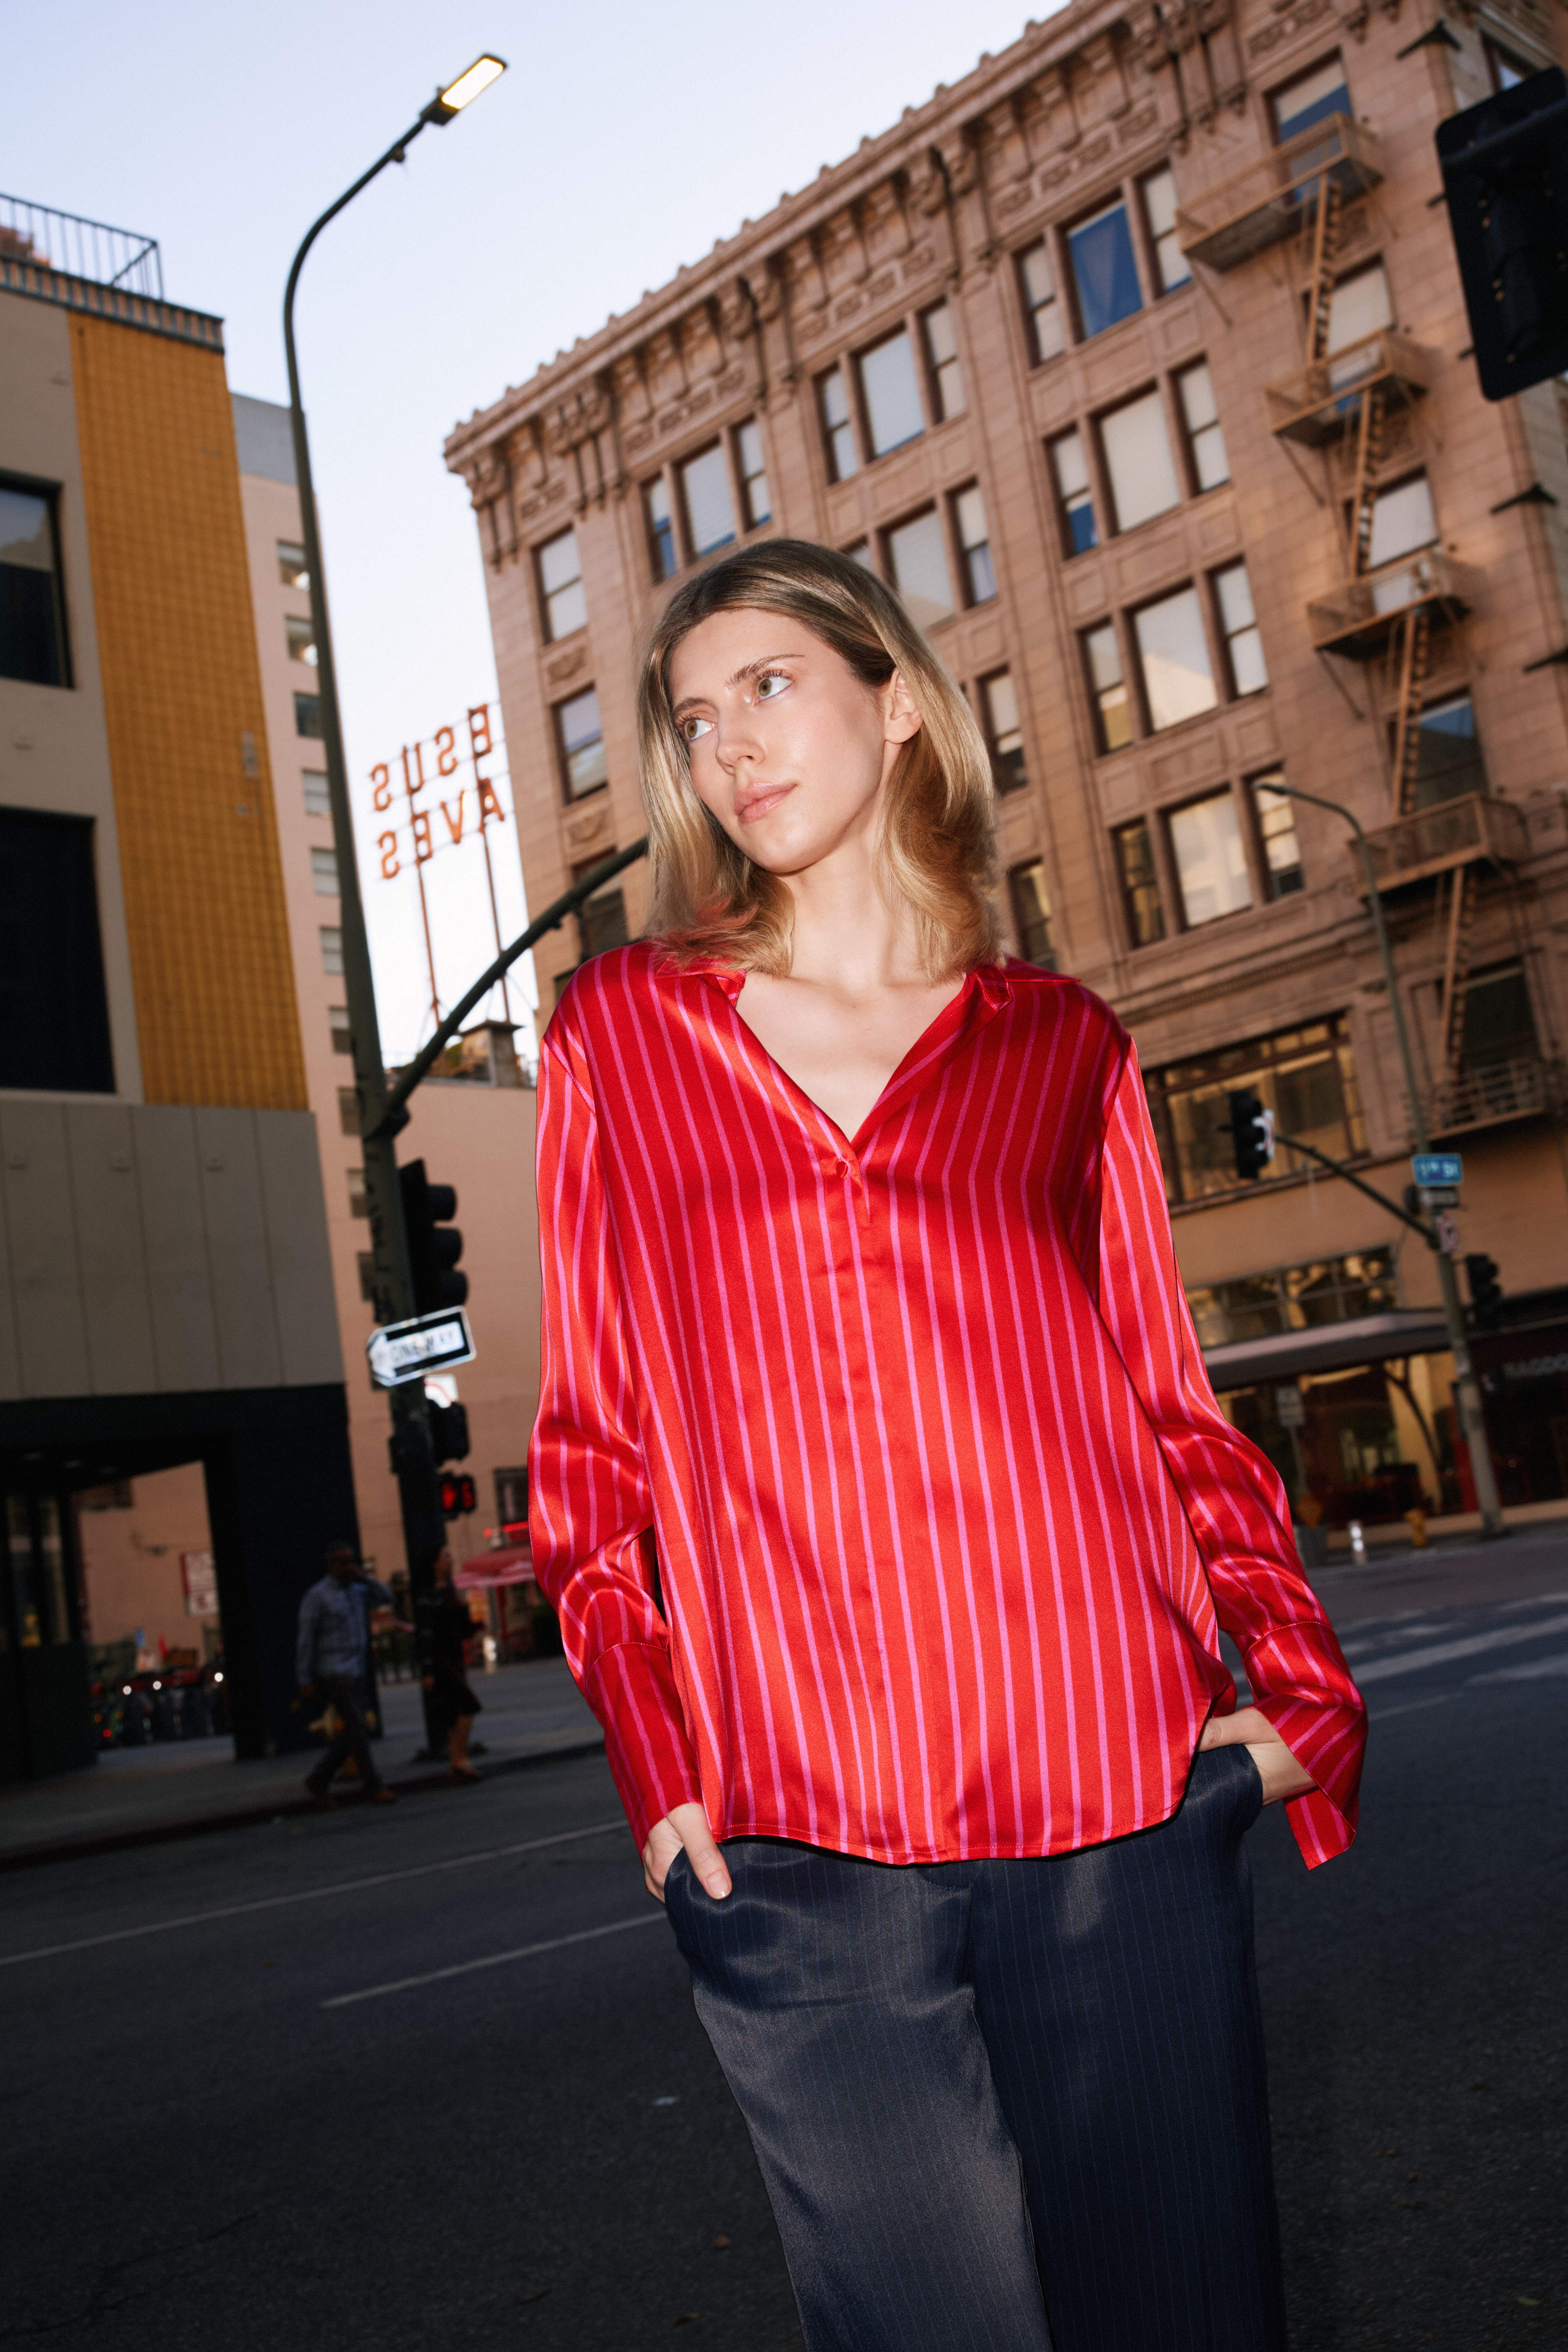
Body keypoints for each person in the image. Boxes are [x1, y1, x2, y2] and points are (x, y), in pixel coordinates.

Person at [528, 541, 1367, 2352]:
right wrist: (658, 1760)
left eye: (769, 685)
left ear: (894, 699)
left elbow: (1165, 1402)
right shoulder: (622, 1033)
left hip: (1114, 1793)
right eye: (694, 718)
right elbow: (591, 1445)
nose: (730, 745)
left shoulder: (1062, 1046)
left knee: (1176, 2314)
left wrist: (1303, 1695)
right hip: (790, 1836)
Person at [295, 1543, 396, 1807]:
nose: (349, 1567)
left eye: (352, 1561)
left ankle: (319, 1779)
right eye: (343, 1562)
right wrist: (304, 1679)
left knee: (356, 1728)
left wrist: (367, 1578)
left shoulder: (358, 1591)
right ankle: (374, 1785)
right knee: (358, 1726)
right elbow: (306, 1640)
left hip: (356, 1669)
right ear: (331, 1565)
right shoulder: (318, 1596)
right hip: (333, 1671)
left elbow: (388, 1598)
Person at [419, 1545, 483, 1783]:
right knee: (468, 1705)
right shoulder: (429, 1596)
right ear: (435, 1564)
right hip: (442, 1660)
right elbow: (426, 1635)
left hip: (455, 1658)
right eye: (445, 1557)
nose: (450, 1560)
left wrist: (469, 1617)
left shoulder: (450, 1590)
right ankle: (460, 1759)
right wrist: (427, 1671)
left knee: (453, 1710)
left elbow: (462, 1630)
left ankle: (457, 1761)